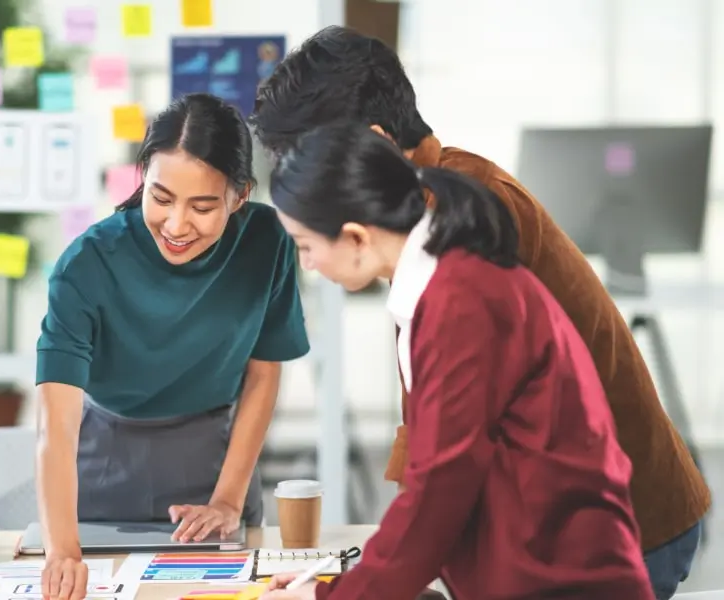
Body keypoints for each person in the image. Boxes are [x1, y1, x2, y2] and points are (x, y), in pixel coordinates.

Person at [249, 25, 710, 600]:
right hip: (549, 531)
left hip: (604, 533)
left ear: (368, 145)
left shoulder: (459, 235)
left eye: (312, 161)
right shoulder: (427, 215)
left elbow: (449, 468)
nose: (308, 256)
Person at [35, 93, 310, 600]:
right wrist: (62, 550)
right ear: (142, 175)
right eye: (160, 198)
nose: (177, 225)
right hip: (99, 466)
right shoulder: (87, 263)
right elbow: (56, 421)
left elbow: (264, 373)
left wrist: (227, 500)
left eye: (203, 207)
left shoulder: (268, 242)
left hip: (213, 460)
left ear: (240, 195)